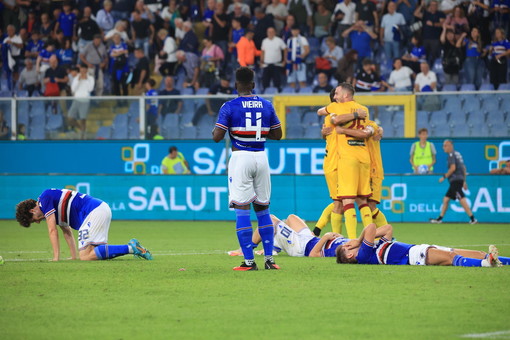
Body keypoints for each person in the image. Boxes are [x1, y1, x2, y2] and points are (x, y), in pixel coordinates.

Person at [212, 67, 283, 271]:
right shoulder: (267, 105)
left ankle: (249, 262)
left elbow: (217, 137)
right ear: (253, 84)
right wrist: (258, 133)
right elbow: (278, 135)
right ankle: (270, 260)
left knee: (242, 210)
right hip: (261, 157)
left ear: (236, 85)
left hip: (240, 157)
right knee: (263, 209)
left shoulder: (229, 106)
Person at [15, 188, 153, 261]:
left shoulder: (44, 200)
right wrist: (73, 256)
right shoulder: (52, 205)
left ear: (32, 210)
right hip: (99, 209)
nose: (38, 221)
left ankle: (131, 248)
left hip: (93, 212)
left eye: (34, 219)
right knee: (95, 254)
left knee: (86, 256)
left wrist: (56, 258)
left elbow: (52, 231)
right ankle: (133, 248)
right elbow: (67, 231)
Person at [336, 223, 504, 267]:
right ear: (350, 254)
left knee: (474, 252)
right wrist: (358, 241)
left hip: (419, 248)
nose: (349, 243)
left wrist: (362, 241)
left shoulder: (375, 249)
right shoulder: (364, 255)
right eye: (347, 246)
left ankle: (499, 260)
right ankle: (486, 263)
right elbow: (371, 227)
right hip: (415, 256)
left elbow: (387, 229)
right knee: (451, 257)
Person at [229, 213, 351, 258]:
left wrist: (326, 237)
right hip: (311, 239)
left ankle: (246, 249)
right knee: (292, 217)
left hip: (301, 247)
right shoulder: (353, 243)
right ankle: (275, 246)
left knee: (269, 219)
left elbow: (314, 254)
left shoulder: (344, 253)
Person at [430, 139, 477, 224]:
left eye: (445, 145)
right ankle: (440, 218)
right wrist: (464, 181)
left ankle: (473, 218)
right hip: (458, 180)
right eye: (443, 146)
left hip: (455, 180)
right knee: (446, 199)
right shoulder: (458, 154)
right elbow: (464, 168)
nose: (443, 147)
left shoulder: (451, 155)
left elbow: (453, 168)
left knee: (461, 198)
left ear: (451, 145)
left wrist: (444, 177)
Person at [68, 64, 94, 139]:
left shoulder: (91, 78)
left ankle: (83, 136)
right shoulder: (76, 78)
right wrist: (79, 80)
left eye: (84, 69)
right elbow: (73, 89)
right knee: (70, 118)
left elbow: (90, 89)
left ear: (86, 70)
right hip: (76, 99)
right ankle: (81, 129)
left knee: (83, 119)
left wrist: (86, 79)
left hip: (85, 100)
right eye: (81, 69)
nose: (83, 70)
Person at [260, 27, 287, 92]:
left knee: (277, 81)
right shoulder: (264, 41)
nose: (270, 33)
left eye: (272, 32)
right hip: (266, 64)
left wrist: (284, 61)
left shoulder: (279, 40)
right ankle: (264, 94)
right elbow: (263, 52)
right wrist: (261, 61)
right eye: (269, 32)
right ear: (267, 33)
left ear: (275, 32)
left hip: (276, 64)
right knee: (265, 80)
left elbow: (285, 50)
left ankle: (278, 93)